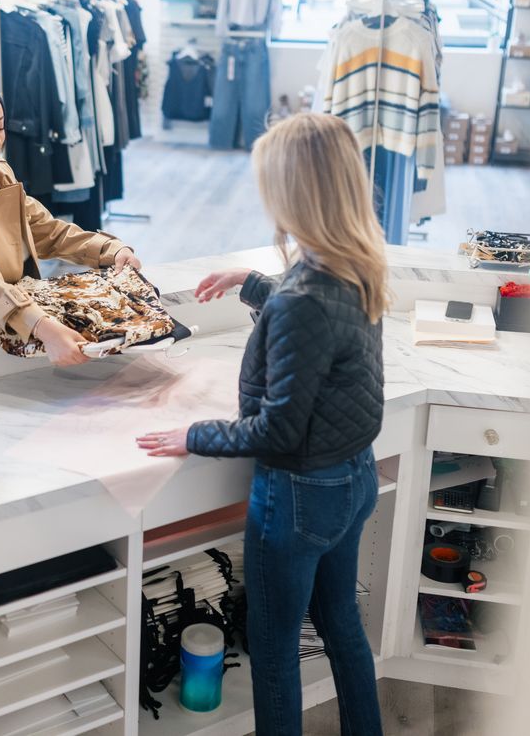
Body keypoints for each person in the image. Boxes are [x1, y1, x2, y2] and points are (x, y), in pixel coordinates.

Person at [137, 113, 387, 735]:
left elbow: (277, 431)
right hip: (354, 479)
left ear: (295, 194)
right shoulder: (356, 262)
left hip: (300, 496)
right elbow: (317, 314)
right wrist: (254, 284)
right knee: (341, 626)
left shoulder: (305, 297)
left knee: (274, 652)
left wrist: (194, 435)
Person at [0, 79, 142, 366]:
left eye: (0, 126)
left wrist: (110, 249)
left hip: (13, 313)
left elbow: (48, 231)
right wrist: (42, 326)